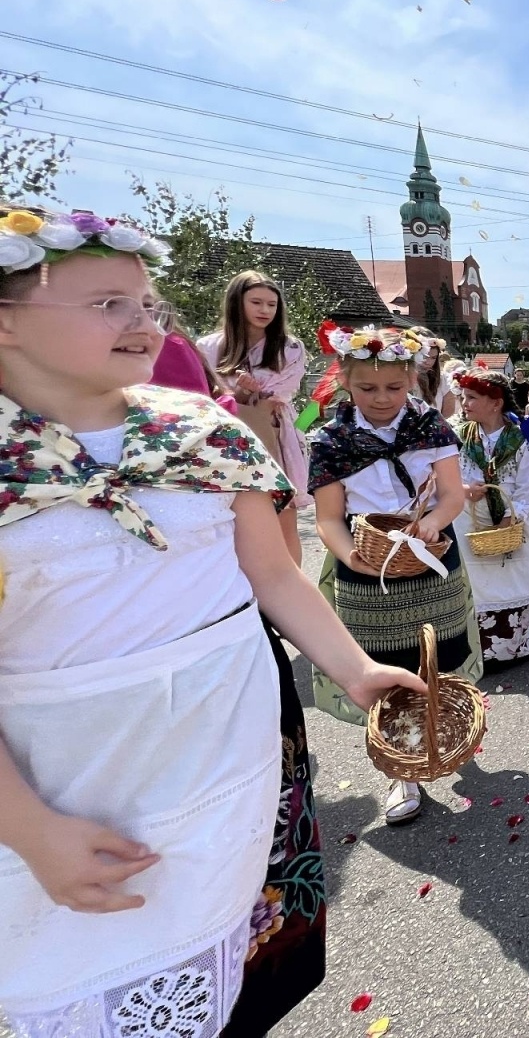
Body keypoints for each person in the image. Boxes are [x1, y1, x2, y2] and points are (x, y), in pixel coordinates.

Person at [0, 204, 423, 1037]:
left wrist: (356, 668)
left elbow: (271, 572)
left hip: (227, 755)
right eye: (107, 303)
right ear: (6, 322)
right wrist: (31, 830)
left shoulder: (201, 432)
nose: (144, 321)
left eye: (146, 303)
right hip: (66, 792)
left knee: (230, 970)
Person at [307, 325, 480, 827]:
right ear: (345, 382)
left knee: (437, 658)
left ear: (411, 381)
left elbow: (449, 496)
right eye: (367, 388)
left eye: (393, 388)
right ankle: (399, 767)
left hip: (428, 561)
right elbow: (328, 518)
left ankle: (444, 731)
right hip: (367, 571)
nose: (381, 399)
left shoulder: (432, 428)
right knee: (384, 664)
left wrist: (430, 524)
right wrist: (352, 557)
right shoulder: (332, 440)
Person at [454, 370, 529, 668]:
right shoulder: (462, 434)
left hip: (514, 516)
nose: (464, 403)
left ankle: (526, 641)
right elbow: (451, 473)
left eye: (471, 398)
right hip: (473, 516)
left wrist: (510, 517)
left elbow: (527, 485)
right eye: (463, 397)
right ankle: (486, 648)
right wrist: (465, 488)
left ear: (495, 403)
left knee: (518, 573)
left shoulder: (522, 437)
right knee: (480, 578)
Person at [197, 270, 311, 563]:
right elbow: (202, 396)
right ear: (237, 303)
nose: (265, 311)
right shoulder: (209, 347)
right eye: (256, 302)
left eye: (272, 305)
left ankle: (290, 594)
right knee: (235, 523)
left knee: (285, 521)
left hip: (273, 436)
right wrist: (238, 396)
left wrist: (250, 393)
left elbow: (280, 396)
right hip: (224, 437)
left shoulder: (290, 347)